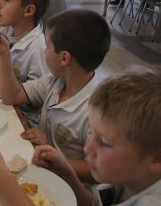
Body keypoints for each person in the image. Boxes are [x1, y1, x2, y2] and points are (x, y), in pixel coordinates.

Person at [0, 9, 111, 182]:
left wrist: (50, 151)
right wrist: (3, 53)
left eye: (48, 46)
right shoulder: (56, 81)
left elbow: (97, 171)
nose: (44, 51)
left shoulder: (97, 111)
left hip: (66, 187)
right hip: (39, 166)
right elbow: (12, 96)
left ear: (64, 58)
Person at [32, 71, 161, 206]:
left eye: (104, 142)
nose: (87, 149)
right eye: (92, 133)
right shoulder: (126, 175)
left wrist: (7, 186)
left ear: (156, 158)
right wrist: (66, 171)